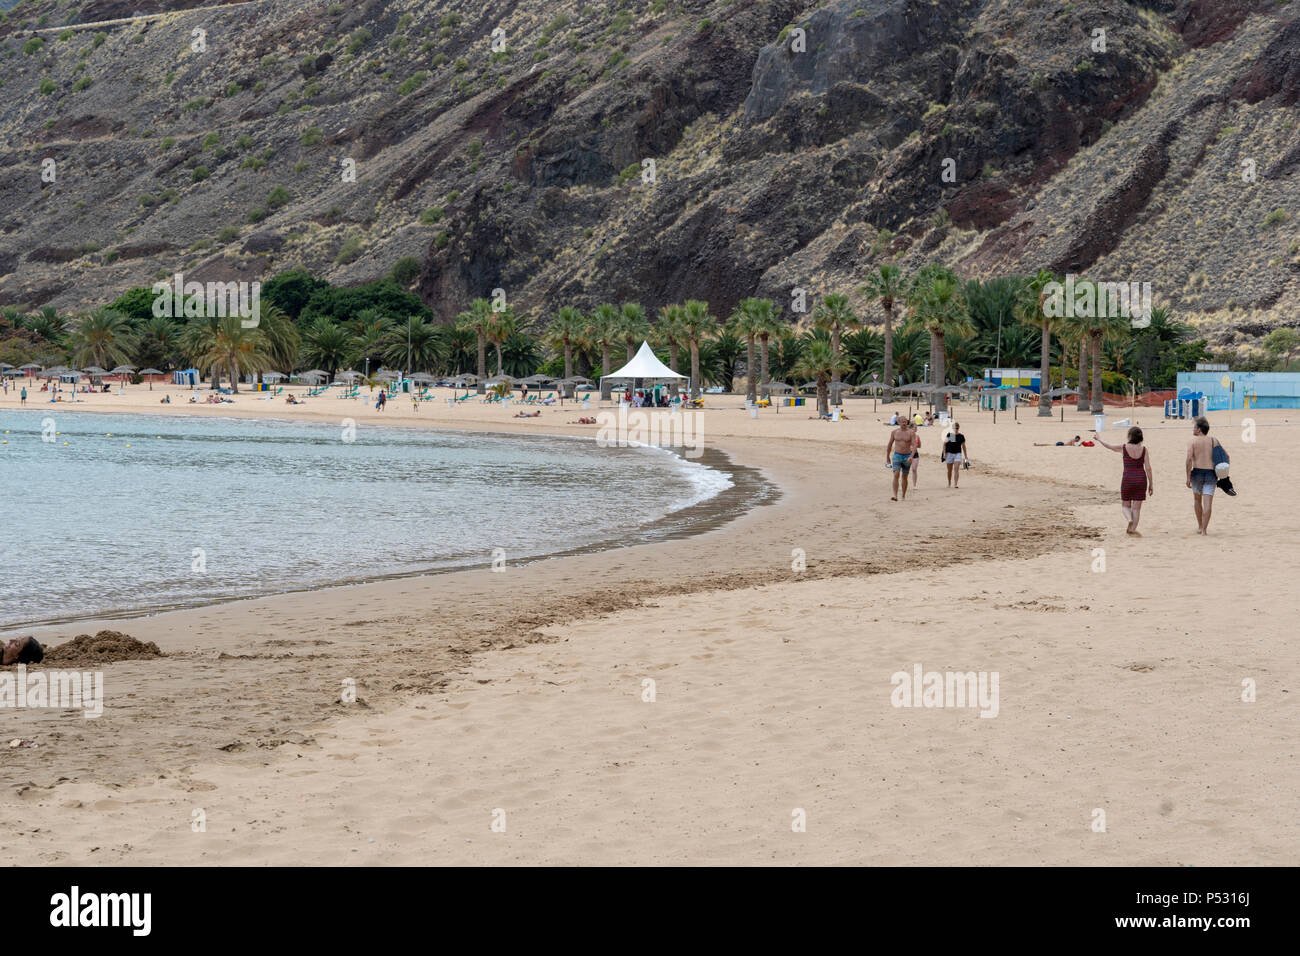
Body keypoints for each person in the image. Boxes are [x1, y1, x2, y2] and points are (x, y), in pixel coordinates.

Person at [1093, 425, 1153, 535]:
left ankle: (1129, 520)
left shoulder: (1124, 447)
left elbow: (1109, 446)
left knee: (1125, 505)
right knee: (1137, 509)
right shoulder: (1144, 450)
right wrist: (1151, 484)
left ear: (1130, 436)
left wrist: (1099, 439)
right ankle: (1132, 530)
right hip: (1141, 479)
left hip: (1128, 478)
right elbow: (1148, 468)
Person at [1186, 416, 1227, 534]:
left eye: (1194, 427)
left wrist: (1188, 477)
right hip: (1211, 474)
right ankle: (1204, 530)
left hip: (1197, 472)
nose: (1193, 429)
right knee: (1208, 503)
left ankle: (1200, 526)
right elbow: (1226, 456)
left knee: (1197, 500)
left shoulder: (1192, 441)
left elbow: (1188, 459)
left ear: (1199, 429)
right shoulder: (1214, 440)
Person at [885, 417, 918, 501]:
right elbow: (889, 444)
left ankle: (903, 494)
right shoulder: (894, 432)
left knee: (904, 476)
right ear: (898, 422)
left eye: (905, 422)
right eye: (902, 422)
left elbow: (914, 445)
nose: (904, 423)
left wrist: (911, 456)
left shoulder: (911, 433)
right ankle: (895, 495)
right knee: (896, 474)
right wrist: (887, 456)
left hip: (907, 456)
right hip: (897, 455)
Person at [942, 423, 969, 488]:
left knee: (956, 469)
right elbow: (945, 444)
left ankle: (955, 484)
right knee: (949, 470)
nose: (956, 429)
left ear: (958, 428)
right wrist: (944, 454)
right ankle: (949, 482)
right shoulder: (951, 435)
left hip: (958, 454)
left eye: (957, 428)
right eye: (954, 428)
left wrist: (966, 456)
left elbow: (963, 446)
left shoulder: (961, 436)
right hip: (949, 453)